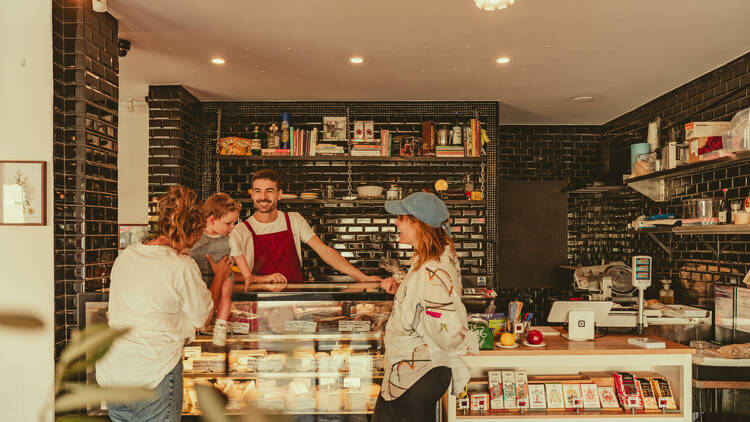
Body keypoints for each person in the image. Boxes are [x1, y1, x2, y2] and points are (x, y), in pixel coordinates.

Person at [96, 186, 231, 422]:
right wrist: (219, 277)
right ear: (195, 232)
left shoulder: (127, 256)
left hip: (114, 373)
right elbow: (203, 317)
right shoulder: (181, 266)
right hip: (153, 374)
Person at [373, 192, 478, 422]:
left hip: (415, 374)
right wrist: (405, 289)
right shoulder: (436, 257)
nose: (396, 222)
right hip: (417, 374)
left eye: (401, 217)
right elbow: (428, 300)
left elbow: (446, 330)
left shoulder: (431, 270)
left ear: (419, 223)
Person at [230, 168, 381, 284]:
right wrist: (260, 280)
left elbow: (325, 252)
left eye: (269, 191)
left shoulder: (294, 220)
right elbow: (226, 274)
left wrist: (362, 277)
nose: (263, 197)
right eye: (258, 191)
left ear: (279, 194)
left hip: (296, 299)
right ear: (252, 195)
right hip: (258, 303)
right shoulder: (240, 231)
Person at [187, 192, 280, 347]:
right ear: (211, 220)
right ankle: (197, 324)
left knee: (227, 289)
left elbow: (239, 258)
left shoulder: (229, 239)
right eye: (228, 223)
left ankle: (221, 326)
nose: (233, 227)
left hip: (223, 276)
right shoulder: (194, 236)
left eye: (234, 223)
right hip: (198, 276)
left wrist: (248, 276)